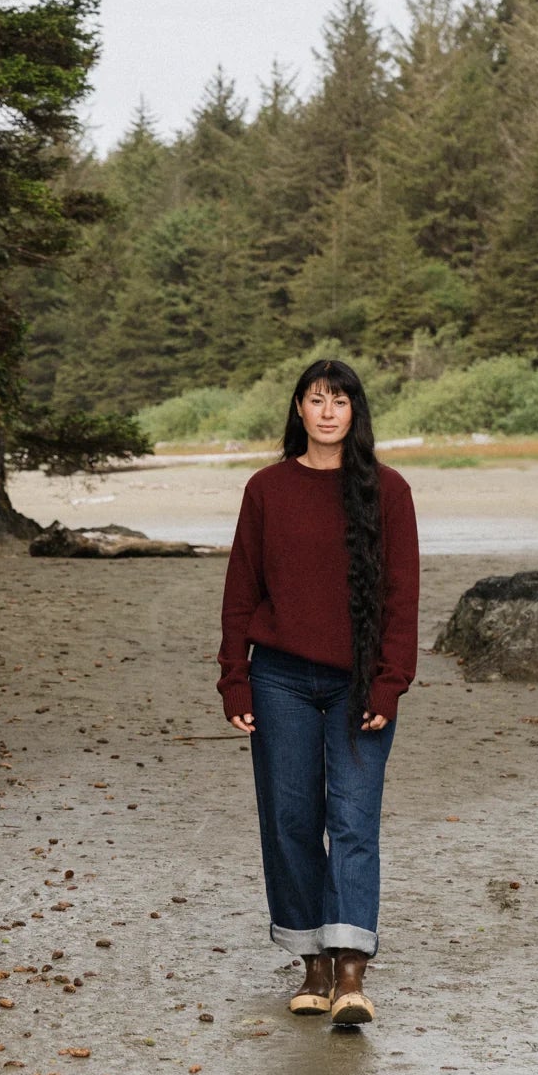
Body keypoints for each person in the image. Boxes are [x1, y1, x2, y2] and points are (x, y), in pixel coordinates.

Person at [216, 358, 420, 1026]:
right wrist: (234, 675)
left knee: (354, 822)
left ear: (355, 413)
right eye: (315, 399)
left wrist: (389, 685)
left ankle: (352, 972)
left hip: (360, 682)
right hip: (278, 678)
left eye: (340, 400)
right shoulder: (266, 490)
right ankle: (311, 965)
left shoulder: (387, 492)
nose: (327, 411)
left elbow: (402, 598)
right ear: (298, 410)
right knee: (290, 821)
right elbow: (241, 591)